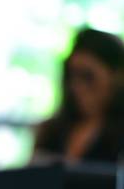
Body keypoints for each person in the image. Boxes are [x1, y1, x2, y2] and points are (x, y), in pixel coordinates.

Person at [33, 27, 124, 163]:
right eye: (72, 75)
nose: (77, 86)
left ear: (117, 76)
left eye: (88, 76)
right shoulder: (52, 130)